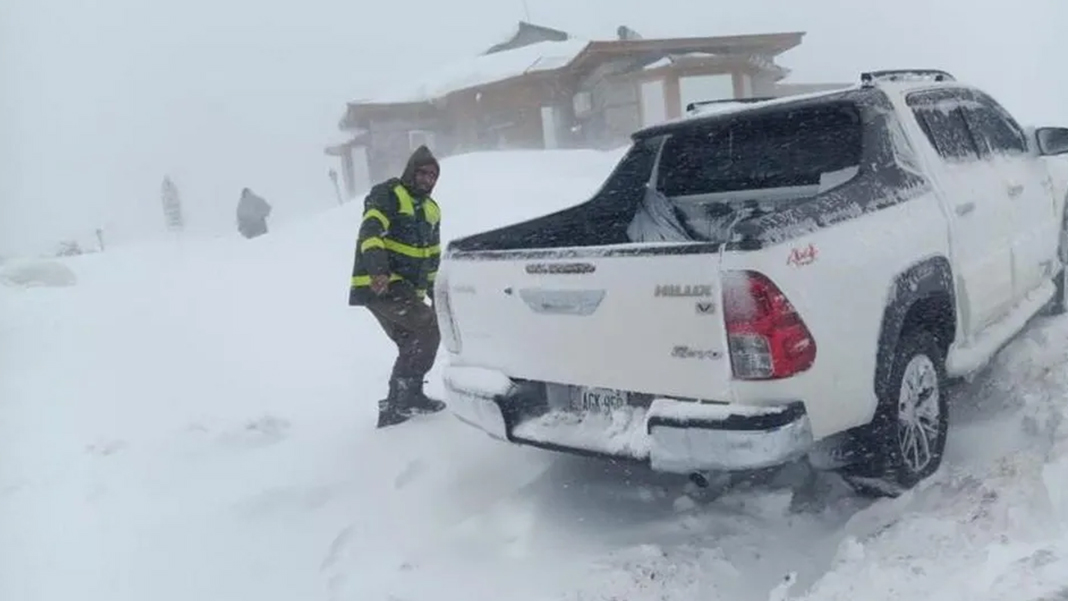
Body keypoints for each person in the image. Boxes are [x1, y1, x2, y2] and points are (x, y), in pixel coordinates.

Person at [349, 145, 447, 427]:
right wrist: (378, 270)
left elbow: (432, 256)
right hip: (382, 285)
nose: (428, 179)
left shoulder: (431, 210)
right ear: (411, 171)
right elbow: (370, 232)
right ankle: (405, 399)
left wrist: (435, 292)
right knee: (427, 328)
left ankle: (398, 404)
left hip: (407, 291)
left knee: (412, 340)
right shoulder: (389, 193)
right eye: (424, 173)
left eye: (433, 176)